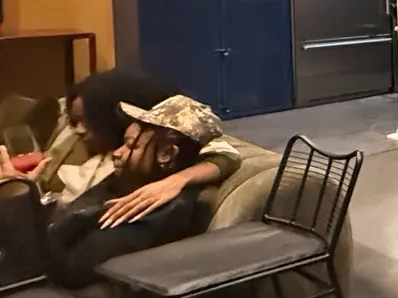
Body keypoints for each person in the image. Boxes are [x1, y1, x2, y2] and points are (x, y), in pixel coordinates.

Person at [38, 95, 222, 289]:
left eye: (131, 145)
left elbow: (71, 268)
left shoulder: (160, 210)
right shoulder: (133, 179)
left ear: (166, 154)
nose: (117, 153)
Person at [1, 69, 240, 214]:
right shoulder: (72, 141)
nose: (79, 130)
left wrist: (177, 181)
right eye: (74, 121)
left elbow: (226, 151)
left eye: (88, 121)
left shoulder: (142, 152)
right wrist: (22, 187)